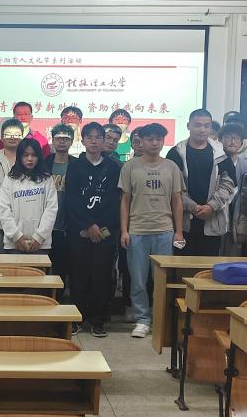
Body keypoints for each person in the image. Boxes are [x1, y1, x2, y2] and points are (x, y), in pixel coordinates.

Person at [119, 123, 184, 339]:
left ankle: (161, 318)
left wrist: (178, 231)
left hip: (164, 231)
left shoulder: (171, 167)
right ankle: (142, 320)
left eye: (159, 139)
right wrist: (124, 230)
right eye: (150, 139)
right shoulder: (130, 167)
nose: (155, 143)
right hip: (137, 230)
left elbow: (177, 201)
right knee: (138, 280)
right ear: (141, 141)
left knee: (161, 280)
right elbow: (125, 200)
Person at [66, 122, 121, 338]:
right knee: (78, 276)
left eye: (99, 137)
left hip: (104, 232)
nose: (95, 141)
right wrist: (88, 225)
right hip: (79, 231)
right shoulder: (75, 166)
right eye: (90, 137)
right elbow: (72, 200)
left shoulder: (113, 167)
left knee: (102, 277)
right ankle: (77, 318)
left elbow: (113, 201)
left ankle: (99, 321)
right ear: (83, 140)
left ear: (104, 140)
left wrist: (98, 226)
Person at [168, 109, 236, 256]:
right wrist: (192, 206)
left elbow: (229, 184)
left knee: (207, 266)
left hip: (213, 220)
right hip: (183, 223)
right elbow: (172, 187)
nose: (202, 129)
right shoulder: (176, 153)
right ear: (188, 126)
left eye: (206, 126)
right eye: (197, 125)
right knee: (181, 266)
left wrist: (212, 206)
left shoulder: (221, 153)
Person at [0, 138, 58, 254]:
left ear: (39, 157)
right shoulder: (9, 179)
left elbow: (51, 210)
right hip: (14, 244)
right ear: (19, 156)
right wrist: (16, 237)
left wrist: (39, 237)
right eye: (25, 155)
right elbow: (5, 210)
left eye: (34, 155)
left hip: (41, 244)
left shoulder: (47, 179)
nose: (30, 159)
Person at [45, 124, 76, 296]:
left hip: (67, 226)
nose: (62, 142)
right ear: (53, 140)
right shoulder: (44, 164)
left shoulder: (77, 165)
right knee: (45, 268)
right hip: (46, 226)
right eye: (58, 138)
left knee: (62, 269)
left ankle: (59, 302)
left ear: (72, 141)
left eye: (66, 139)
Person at [219, 122, 247, 256]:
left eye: (237, 138)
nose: (233, 141)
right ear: (221, 140)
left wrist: (244, 227)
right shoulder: (215, 163)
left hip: (238, 220)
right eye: (228, 137)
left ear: (241, 142)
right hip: (218, 216)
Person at [0, 118, 22, 189]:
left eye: (16, 134)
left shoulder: (29, 159)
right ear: (2, 138)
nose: (12, 137)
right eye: (8, 134)